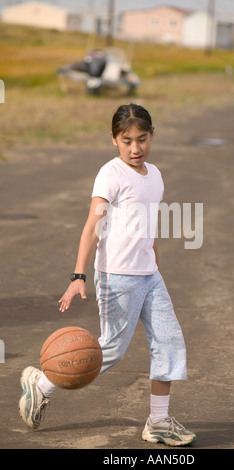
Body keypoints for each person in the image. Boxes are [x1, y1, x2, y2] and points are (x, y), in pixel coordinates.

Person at [19, 104, 196, 447]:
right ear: (113, 139)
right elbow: (92, 227)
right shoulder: (111, 174)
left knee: (170, 344)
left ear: (152, 135)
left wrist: (154, 262)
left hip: (149, 276)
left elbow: (150, 224)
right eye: (126, 140)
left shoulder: (155, 174)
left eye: (142, 139)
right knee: (109, 350)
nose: (135, 148)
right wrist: (78, 275)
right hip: (118, 276)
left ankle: (158, 422)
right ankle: (41, 385)